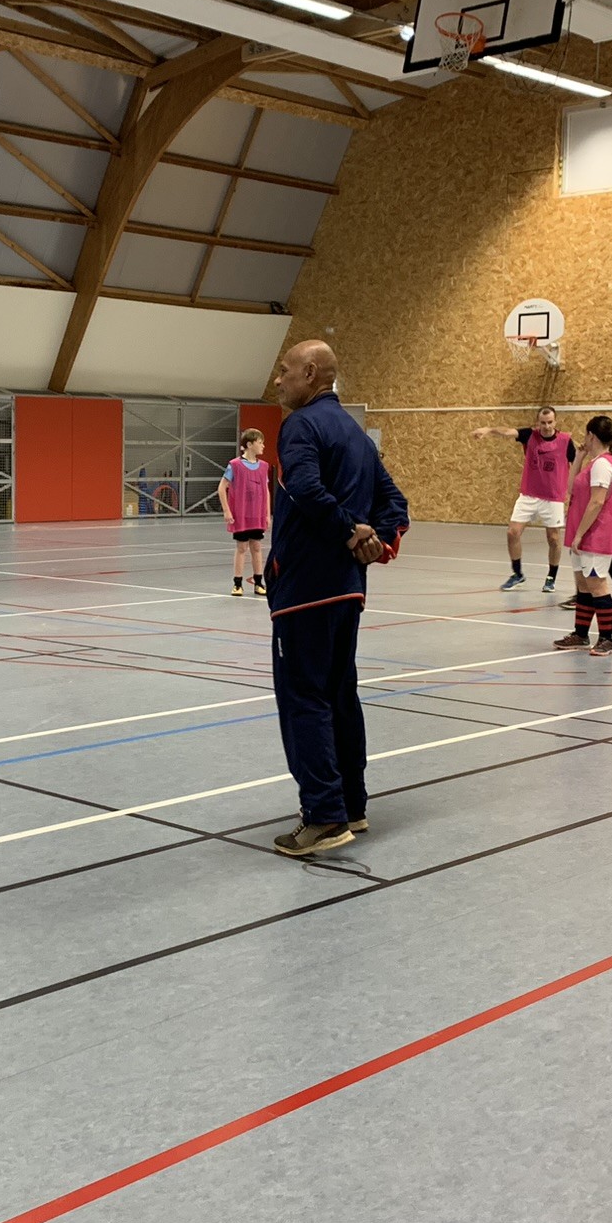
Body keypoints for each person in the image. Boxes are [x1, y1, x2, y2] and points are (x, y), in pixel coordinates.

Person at [265, 340, 410, 858]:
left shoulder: (301, 426)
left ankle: (324, 816)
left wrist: (351, 531)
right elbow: (396, 503)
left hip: (305, 589)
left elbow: (303, 487)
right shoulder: (356, 434)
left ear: (310, 373)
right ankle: (351, 804)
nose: (278, 381)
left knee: (305, 700)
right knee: (340, 695)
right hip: (348, 590)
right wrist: (378, 542)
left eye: (284, 372)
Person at [471, 406, 571, 593]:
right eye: (543, 423)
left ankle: (551, 577)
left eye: (550, 422)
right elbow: (507, 432)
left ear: (555, 422)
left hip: (553, 497)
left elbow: (576, 462)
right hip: (529, 495)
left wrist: (572, 490)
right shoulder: (529, 435)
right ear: (537, 423)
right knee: (512, 533)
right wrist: (489, 430)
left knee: (554, 538)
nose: (547, 426)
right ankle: (517, 574)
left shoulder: (565, 441)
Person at [553, 415, 612, 658]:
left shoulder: (604, 464)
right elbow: (571, 488)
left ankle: (606, 639)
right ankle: (581, 634)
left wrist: (581, 534)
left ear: (591, 435)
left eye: (586, 435)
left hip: (595, 534)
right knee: (582, 583)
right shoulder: (593, 462)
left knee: (596, 583)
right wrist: (579, 458)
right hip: (580, 532)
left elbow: (596, 502)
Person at [218, 427, 272, 597]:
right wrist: (227, 510)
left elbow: (266, 490)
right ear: (249, 444)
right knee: (242, 547)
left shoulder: (264, 466)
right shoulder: (234, 465)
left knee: (256, 546)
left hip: (257, 514)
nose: (263, 445)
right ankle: (237, 583)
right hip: (240, 514)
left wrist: (267, 513)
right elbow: (221, 488)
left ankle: (258, 583)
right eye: (260, 442)